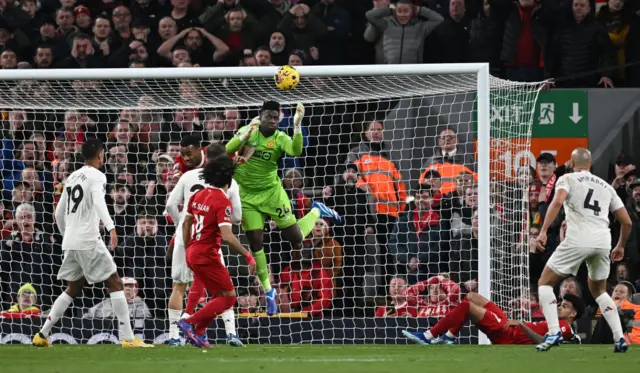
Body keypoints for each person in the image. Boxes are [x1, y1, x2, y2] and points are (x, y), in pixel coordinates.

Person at [32, 138, 152, 348]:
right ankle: (129, 339)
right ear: (100, 155)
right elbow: (98, 201)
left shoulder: (71, 176)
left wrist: (67, 235)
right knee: (115, 281)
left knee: (73, 287)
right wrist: (111, 226)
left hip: (70, 240)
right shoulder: (98, 176)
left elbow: (59, 213)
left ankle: (42, 335)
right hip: (88, 239)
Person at [225, 101, 341, 315]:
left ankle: (316, 210)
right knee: (256, 243)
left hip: (272, 194)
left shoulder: (279, 138)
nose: (272, 120)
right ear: (260, 116)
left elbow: (296, 150)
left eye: (275, 117)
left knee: (296, 238)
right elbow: (226, 150)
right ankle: (269, 291)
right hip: (247, 196)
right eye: (268, 116)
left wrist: (297, 126)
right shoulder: (248, 131)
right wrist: (243, 136)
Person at [536, 148, 631, 353]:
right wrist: (620, 245)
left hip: (578, 238)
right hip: (602, 241)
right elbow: (627, 222)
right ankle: (619, 338)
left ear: (571, 161)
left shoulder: (567, 179)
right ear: (590, 164)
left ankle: (553, 332)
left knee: (544, 283)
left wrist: (543, 230)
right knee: (600, 291)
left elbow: (558, 201)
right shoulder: (606, 186)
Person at [165, 143, 244, 347]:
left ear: (205, 156)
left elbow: (170, 205)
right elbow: (236, 217)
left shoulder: (187, 176)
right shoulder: (230, 182)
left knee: (179, 285)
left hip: (186, 236)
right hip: (210, 239)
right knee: (223, 289)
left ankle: (174, 335)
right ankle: (230, 332)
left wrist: (179, 223)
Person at [176, 156, 256, 348]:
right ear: (229, 179)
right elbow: (227, 236)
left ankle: (200, 333)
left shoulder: (197, 195)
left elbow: (186, 223)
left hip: (193, 251)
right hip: (207, 255)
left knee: (217, 293)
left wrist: (188, 248)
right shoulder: (222, 202)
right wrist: (247, 255)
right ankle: (189, 321)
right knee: (229, 297)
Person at [402, 292, 581, 345]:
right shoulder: (554, 320)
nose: (559, 306)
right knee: (471, 296)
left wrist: (520, 324)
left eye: (564, 306)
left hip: (508, 335)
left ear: (573, 314)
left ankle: (428, 336)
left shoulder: (564, 326)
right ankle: (450, 336)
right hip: (509, 325)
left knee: (466, 306)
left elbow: (543, 342)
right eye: (560, 303)